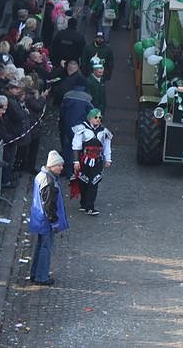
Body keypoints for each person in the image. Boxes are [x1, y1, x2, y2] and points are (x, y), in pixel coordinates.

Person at [29, 150, 68, 286]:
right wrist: (54, 222)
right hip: (46, 221)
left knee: (40, 247)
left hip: (39, 219)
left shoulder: (41, 176)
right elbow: (49, 205)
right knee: (46, 248)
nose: (61, 168)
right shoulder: (49, 181)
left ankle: (36, 273)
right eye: (59, 165)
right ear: (52, 166)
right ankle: (41, 276)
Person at [71, 108, 112, 216]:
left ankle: (90, 206)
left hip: (97, 161)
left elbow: (107, 147)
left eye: (100, 117)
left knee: (94, 182)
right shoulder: (82, 129)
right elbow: (76, 145)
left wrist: (108, 159)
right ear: (90, 118)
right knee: (83, 181)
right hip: (84, 161)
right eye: (96, 117)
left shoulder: (104, 131)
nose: (98, 119)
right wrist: (76, 161)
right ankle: (84, 203)